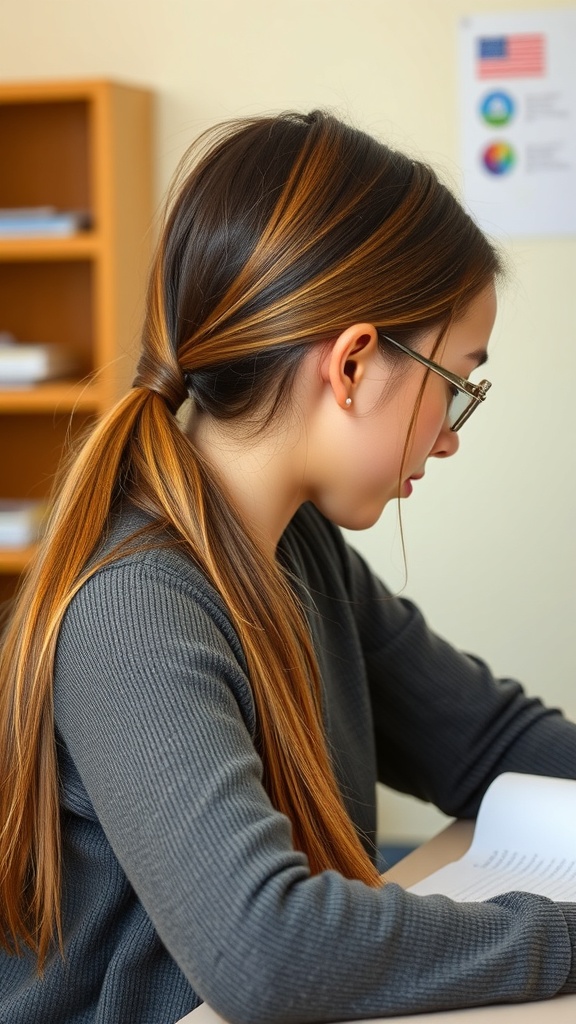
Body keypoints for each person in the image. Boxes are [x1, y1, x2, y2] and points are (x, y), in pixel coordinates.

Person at [0, 109, 575, 1024]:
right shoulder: (134, 608)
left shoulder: (300, 550)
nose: (451, 437)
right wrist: (564, 936)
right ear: (351, 365)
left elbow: (488, 743)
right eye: (457, 385)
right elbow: (265, 948)